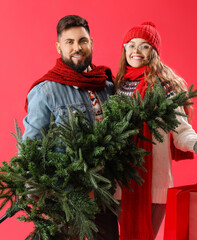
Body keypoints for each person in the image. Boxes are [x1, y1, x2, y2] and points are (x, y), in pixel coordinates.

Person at [114, 22, 197, 240]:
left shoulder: (165, 87)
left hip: (153, 188)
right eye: (131, 45)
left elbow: (181, 131)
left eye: (144, 46)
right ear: (124, 49)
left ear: (154, 52)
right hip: (118, 187)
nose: (136, 51)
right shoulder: (116, 86)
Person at [23, 15, 119, 240]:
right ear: (59, 47)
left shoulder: (107, 87)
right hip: (65, 198)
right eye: (70, 42)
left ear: (91, 43)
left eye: (83, 41)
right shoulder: (46, 91)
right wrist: (35, 189)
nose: (78, 47)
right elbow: (31, 145)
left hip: (104, 195)